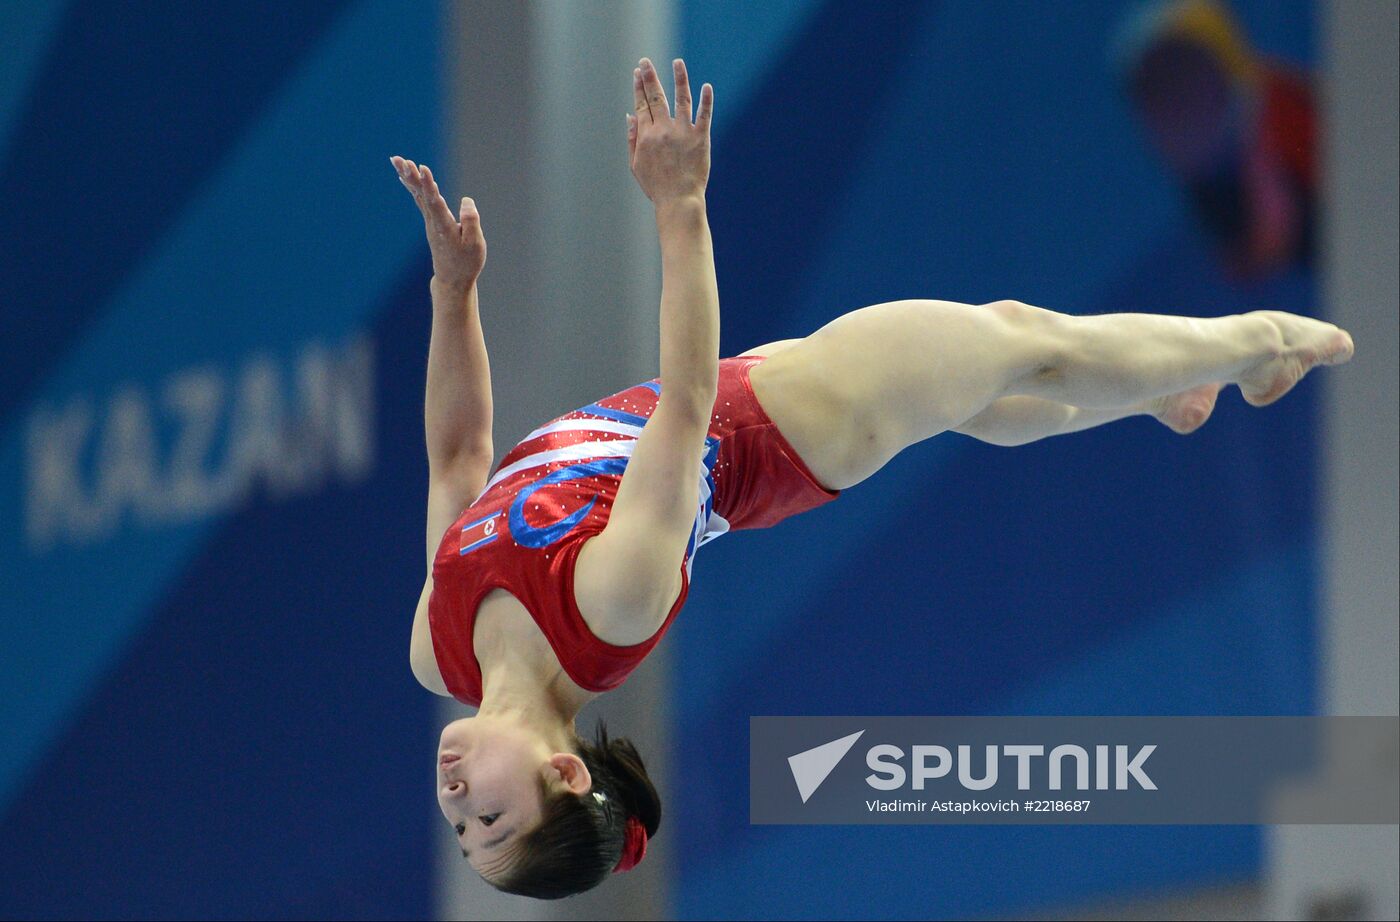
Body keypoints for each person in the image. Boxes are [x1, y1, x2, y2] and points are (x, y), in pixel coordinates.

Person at [390, 57, 1352, 900]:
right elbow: (684, 407)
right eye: (492, 827)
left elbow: (458, 457)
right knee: (1025, 339)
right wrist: (680, 207)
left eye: (462, 832)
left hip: (759, 398)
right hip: (793, 427)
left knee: (984, 399)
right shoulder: (607, 609)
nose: (459, 809)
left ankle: (1157, 397)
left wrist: (454, 291)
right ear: (563, 775)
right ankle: (1257, 346)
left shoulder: (440, 652)